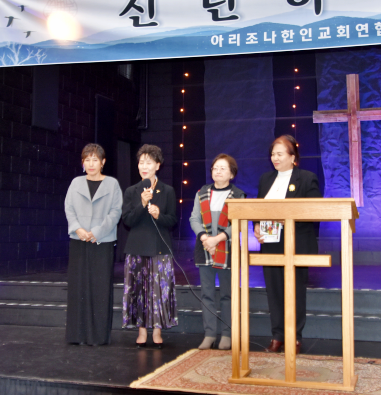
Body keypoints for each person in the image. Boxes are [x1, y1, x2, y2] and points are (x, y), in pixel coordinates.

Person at [253, 135, 322, 354]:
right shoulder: (265, 179)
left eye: (280, 154)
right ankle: (277, 336)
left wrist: (287, 218)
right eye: (273, 154)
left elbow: (315, 211)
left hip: (296, 243)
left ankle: (295, 337)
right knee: (274, 291)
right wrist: (256, 225)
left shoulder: (307, 178)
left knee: (294, 291)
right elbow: (258, 208)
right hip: (271, 243)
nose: (275, 158)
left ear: (293, 157)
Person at [64, 143, 123, 346]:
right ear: (83, 162)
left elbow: (115, 212)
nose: (90, 164)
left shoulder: (112, 184)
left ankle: (98, 336)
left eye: (95, 160)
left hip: (102, 241)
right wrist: (78, 229)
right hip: (79, 240)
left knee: (100, 289)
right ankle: (76, 335)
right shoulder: (76, 183)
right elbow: (69, 208)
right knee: (78, 288)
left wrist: (96, 232)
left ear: (102, 162)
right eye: (87, 160)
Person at [121, 144, 178, 348]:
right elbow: (127, 220)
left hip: (159, 248)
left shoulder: (168, 190)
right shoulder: (131, 191)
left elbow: (172, 220)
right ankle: (142, 330)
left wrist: (159, 215)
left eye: (149, 162)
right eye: (141, 163)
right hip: (137, 247)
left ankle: (158, 330)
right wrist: (142, 204)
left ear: (158, 165)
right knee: (138, 290)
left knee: (159, 291)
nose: (144, 166)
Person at [189, 153, 245, 350]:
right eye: (215, 168)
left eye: (223, 168)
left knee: (228, 295)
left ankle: (227, 334)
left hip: (227, 250)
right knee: (207, 294)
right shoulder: (202, 193)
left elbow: (238, 223)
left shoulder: (238, 195)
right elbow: (194, 219)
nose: (218, 171)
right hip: (204, 249)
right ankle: (210, 334)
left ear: (232, 174)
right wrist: (205, 239)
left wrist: (217, 239)